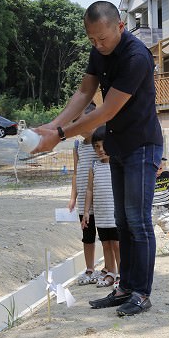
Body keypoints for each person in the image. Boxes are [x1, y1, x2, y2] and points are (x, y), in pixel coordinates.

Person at [34, 1, 163, 316]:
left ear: (120, 26)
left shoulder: (136, 57)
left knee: (138, 220)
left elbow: (106, 110)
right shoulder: (99, 51)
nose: (98, 45)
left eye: (102, 38)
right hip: (117, 143)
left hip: (142, 144)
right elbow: (83, 94)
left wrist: (61, 136)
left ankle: (141, 292)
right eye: (92, 40)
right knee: (121, 221)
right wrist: (52, 126)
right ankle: (125, 287)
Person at [68, 103, 104, 285]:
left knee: (107, 235)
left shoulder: (102, 144)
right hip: (83, 199)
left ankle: (110, 268)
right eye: (76, 124)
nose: (79, 128)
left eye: (81, 123)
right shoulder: (77, 146)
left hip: (102, 198)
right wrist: (73, 196)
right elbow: (75, 172)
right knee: (87, 234)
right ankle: (90, 268)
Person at [82, 126, 120, 287]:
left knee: (117, 245)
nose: (100, 149)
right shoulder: (94, 166)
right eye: (96, 146)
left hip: (115, 214)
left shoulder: (118, 164)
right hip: (100, 214)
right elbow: (89, 190)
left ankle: (122, 274)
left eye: (103, 145)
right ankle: (110, 272)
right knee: (105, 244)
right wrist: (85, 212)